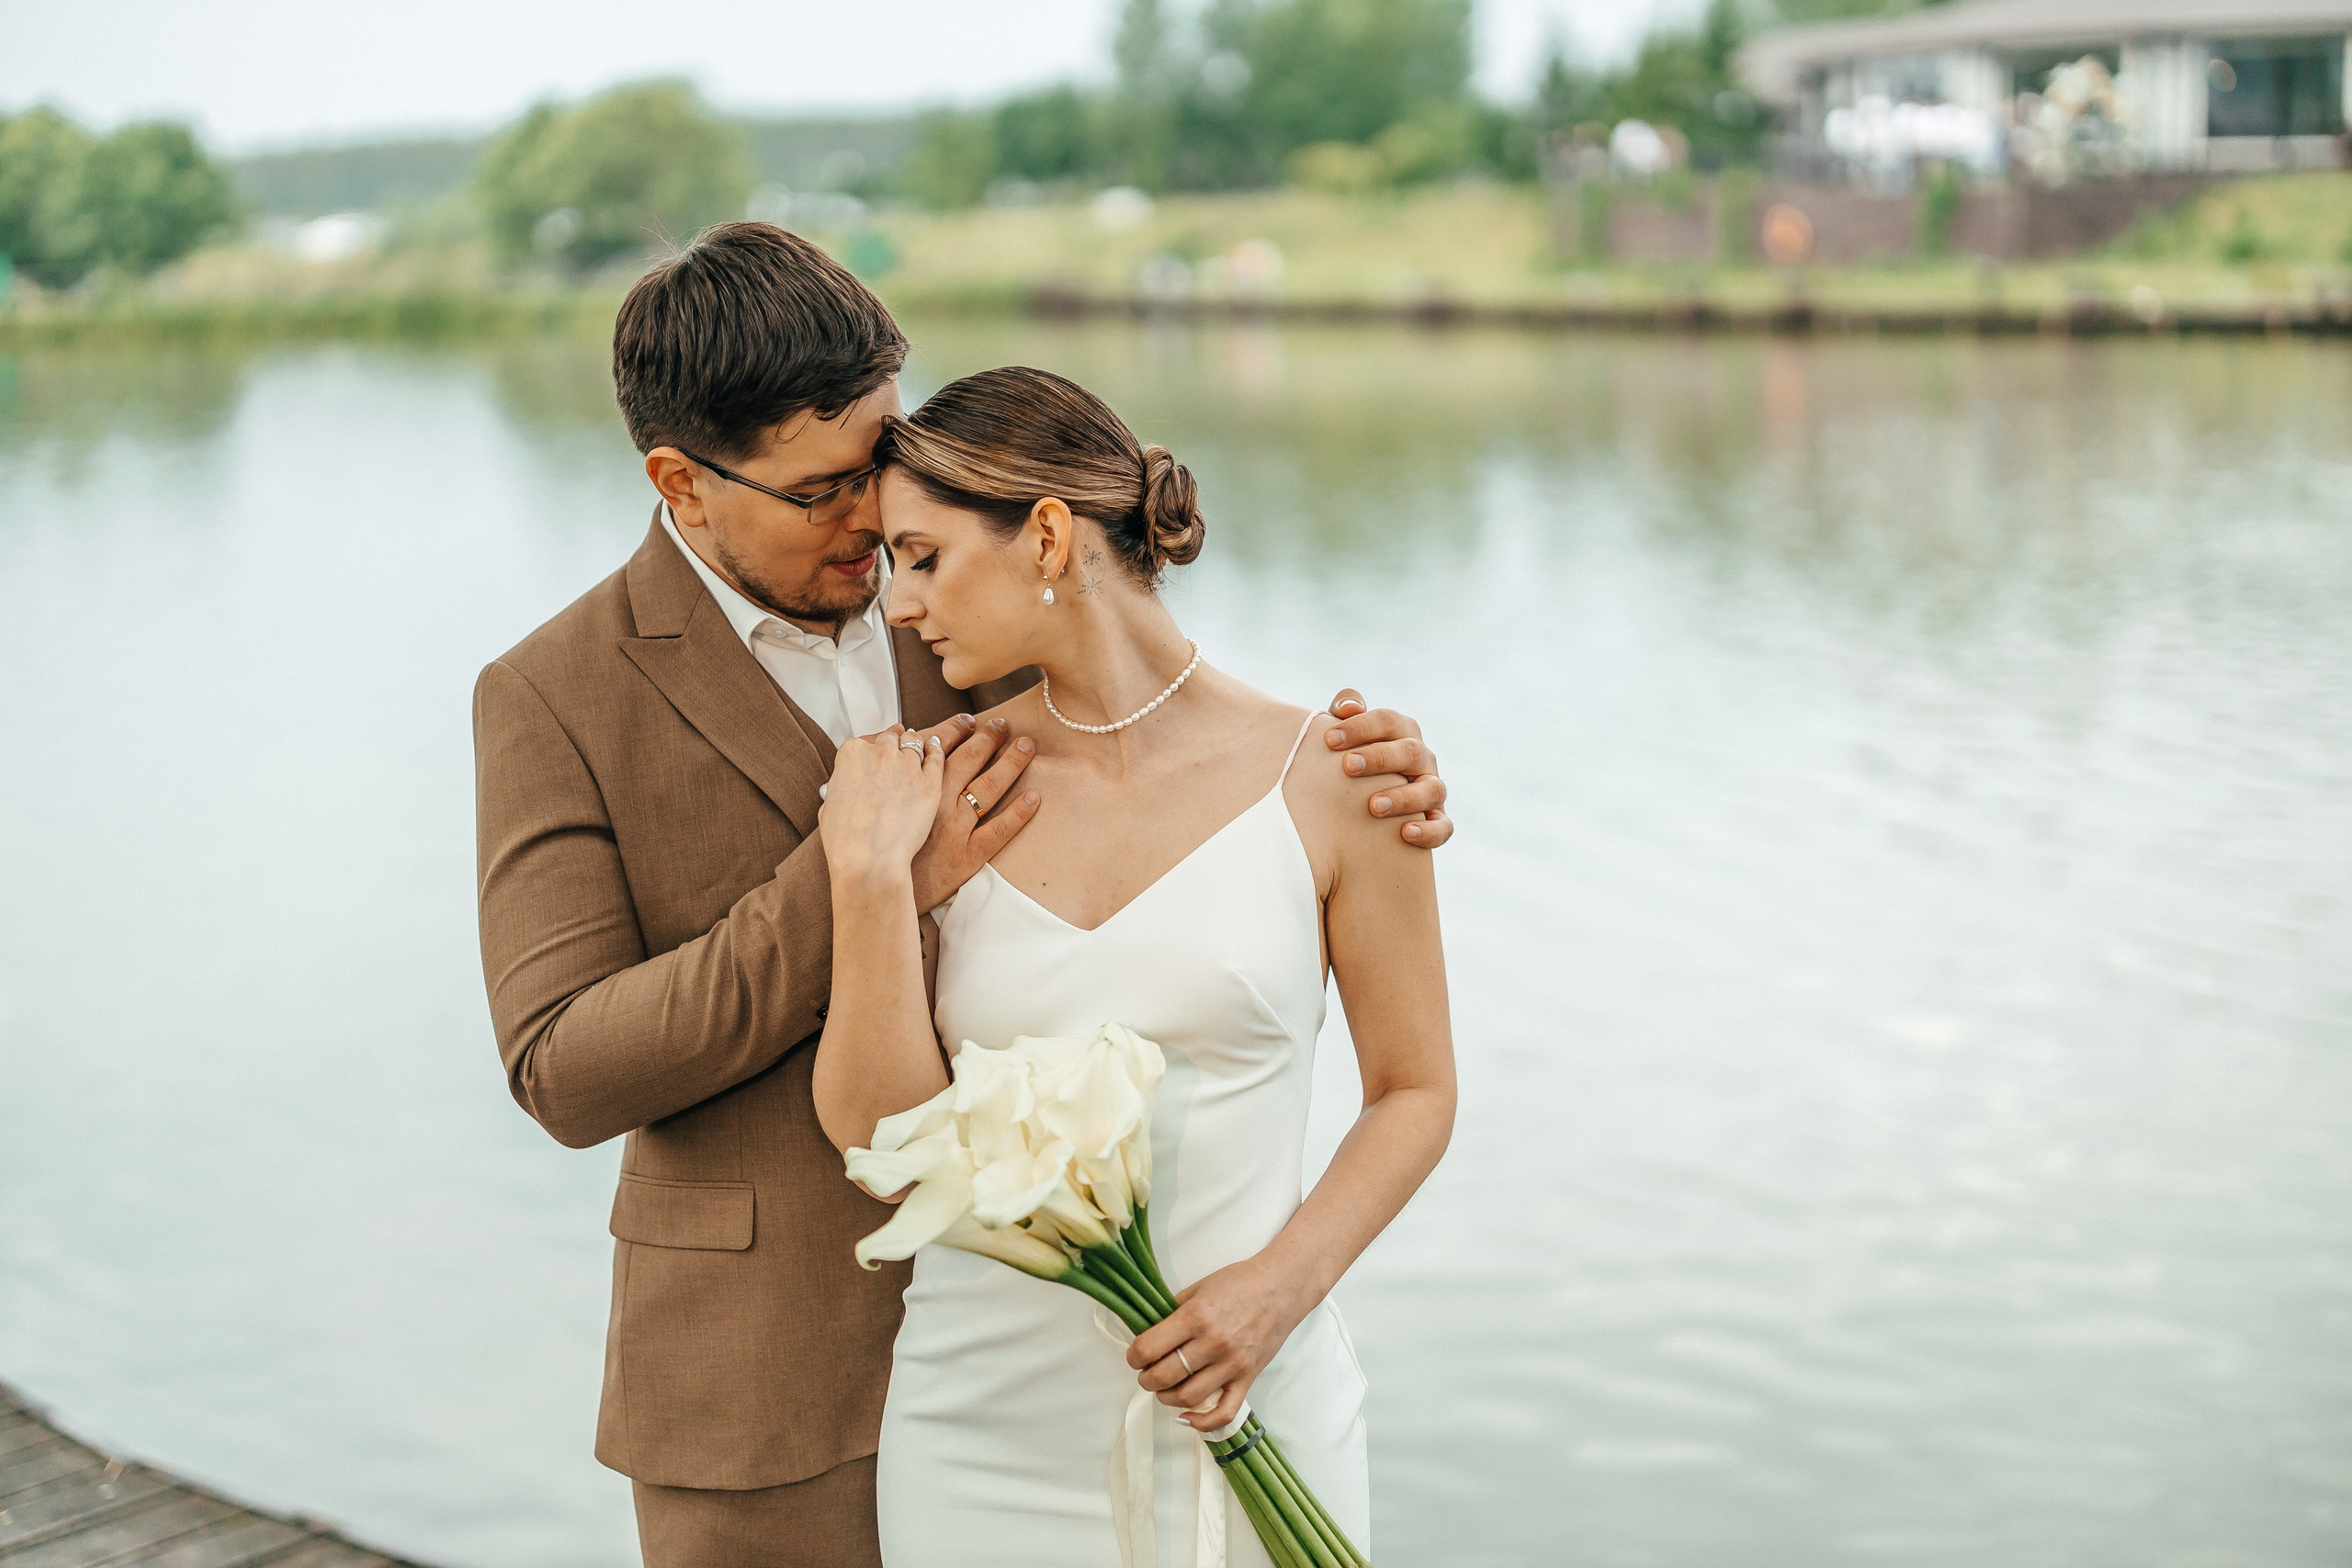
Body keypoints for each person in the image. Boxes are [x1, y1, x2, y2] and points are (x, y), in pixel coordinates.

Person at [470, 222, 1453, 1568]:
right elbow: (563, 1070)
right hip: (768, 1378)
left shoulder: (963, 595)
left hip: (1096, 1350)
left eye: (881, 467)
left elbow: (1150, 733)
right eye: (823, 490)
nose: (872, 526)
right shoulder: (553, 695)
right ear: (680, 483)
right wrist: (852, 879)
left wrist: (1364, 773)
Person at [812, 367, 1456, 1566]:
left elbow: (1415, 1092)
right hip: (980, 1437)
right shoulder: (944, 788)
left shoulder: (1335, 779)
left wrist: (1276, 1292)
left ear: (1047, 535)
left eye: (923, 557)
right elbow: (881, 1145)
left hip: (1253, 1403)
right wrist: (867, 885)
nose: (897, 604)